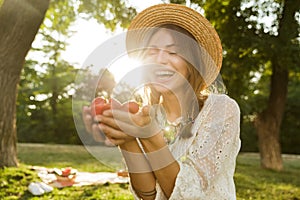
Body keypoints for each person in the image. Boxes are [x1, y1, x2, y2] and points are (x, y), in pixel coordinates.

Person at [82, 3, 241, 200]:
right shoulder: (148, 116)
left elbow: (191, 194)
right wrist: (127, 139)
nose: (160, 60)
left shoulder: (221, 109)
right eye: (151, 51)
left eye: (173, 52)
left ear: (192, 63)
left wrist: (150, 136)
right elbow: (148, 195)